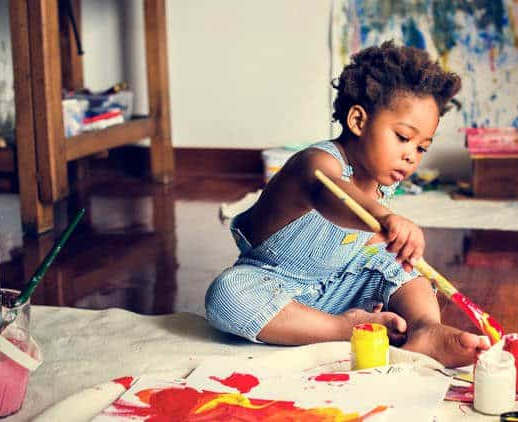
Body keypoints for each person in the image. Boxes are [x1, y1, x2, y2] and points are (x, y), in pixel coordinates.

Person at [206, 41, 489, 367]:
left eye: (422, 147)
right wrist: (384, 217)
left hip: (335, 288)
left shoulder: (384, 180)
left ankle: (426, 329)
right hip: (272, 286)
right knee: (227, 294)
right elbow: (334, 196)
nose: (411, 155)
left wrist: (393, 248)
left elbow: (351, 242)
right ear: (358, 120)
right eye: (402, 137)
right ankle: (342, 329)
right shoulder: (315, 164)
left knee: (400, 268)